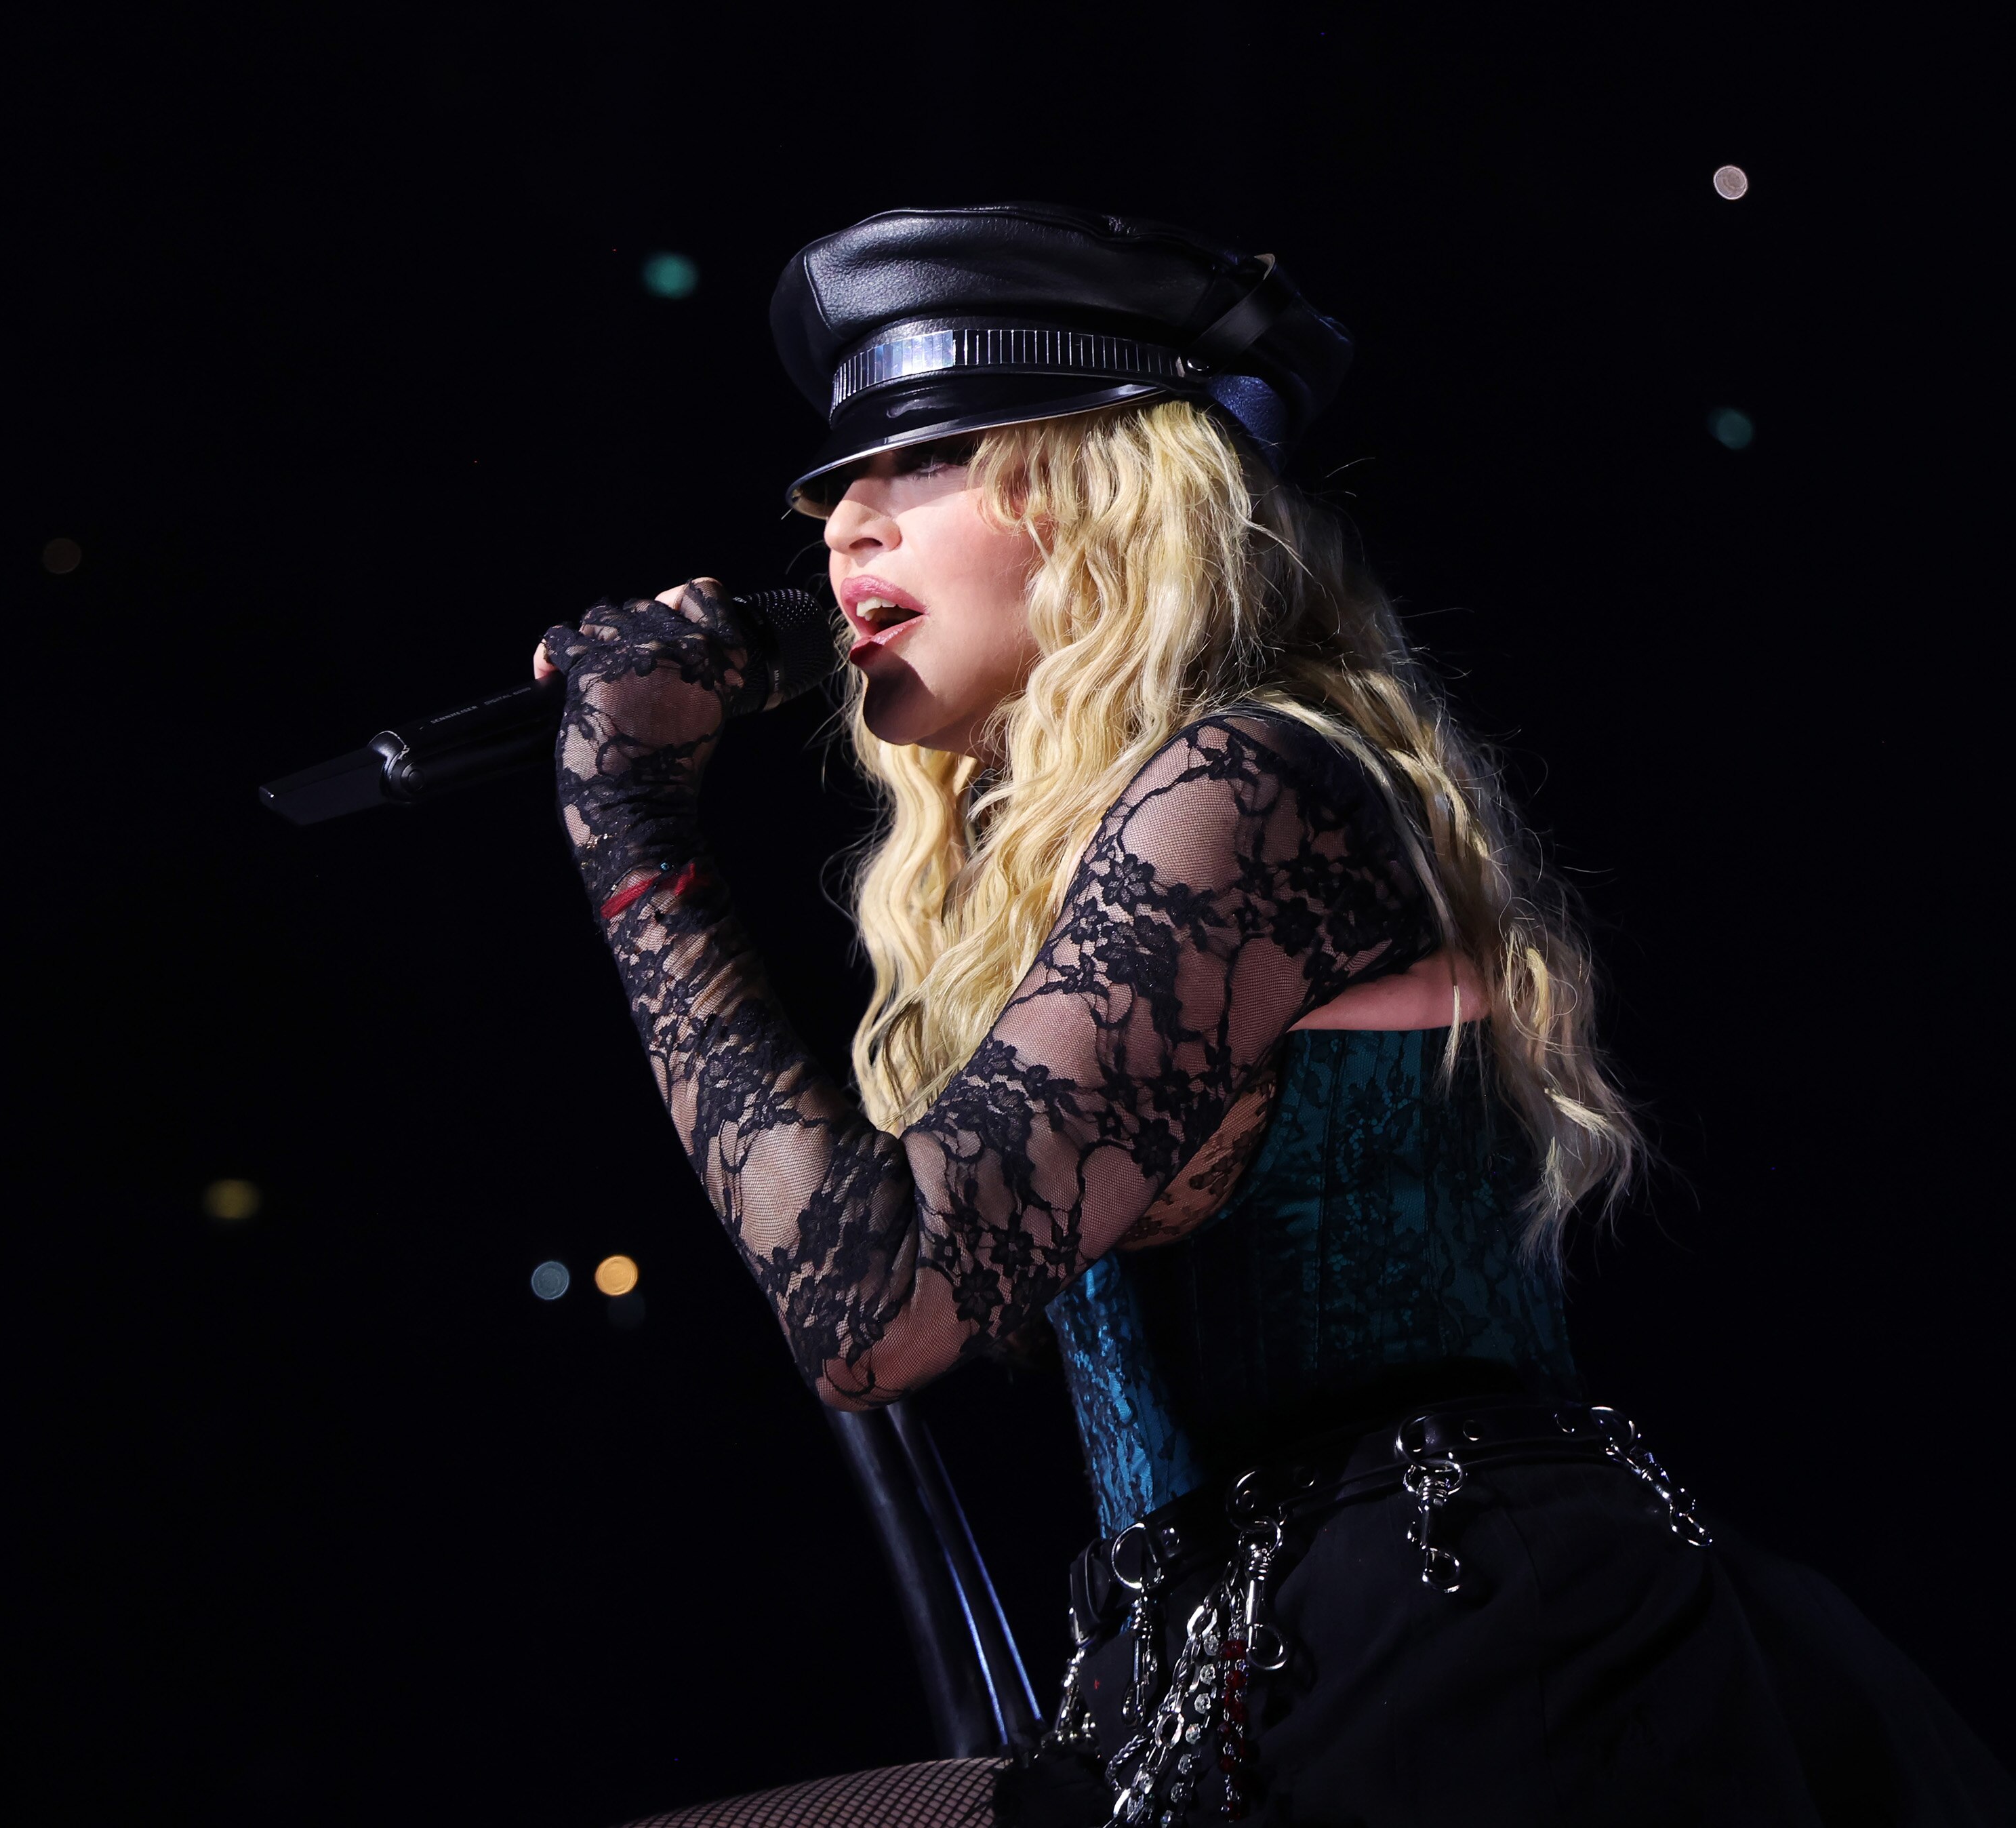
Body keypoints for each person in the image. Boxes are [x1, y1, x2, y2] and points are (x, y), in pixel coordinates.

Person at [533, 205, 2011, 1827]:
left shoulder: (1253, 782)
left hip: (1461, 1668)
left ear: (1118, 495)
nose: (842, 528)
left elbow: (872, 1310)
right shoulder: (1125, 842)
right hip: (1230, 1687)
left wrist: (636, 831)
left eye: (931, 458)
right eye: (833, 485)